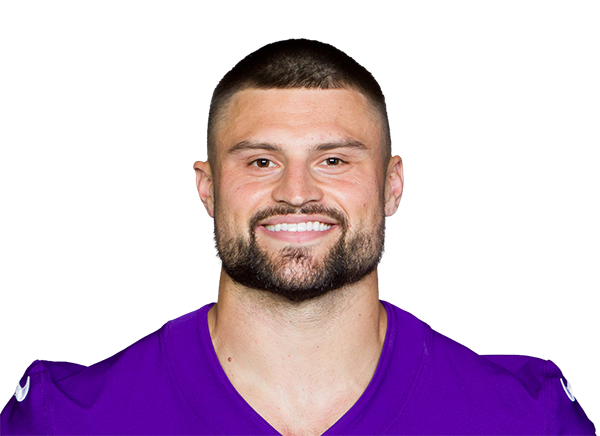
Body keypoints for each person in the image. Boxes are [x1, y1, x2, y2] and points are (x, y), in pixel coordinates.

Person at [0, 39, 594, 435]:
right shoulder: (68, 418)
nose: (297, 191)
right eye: (260, 162)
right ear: (207, 187)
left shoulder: (521, 417)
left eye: (334, 161)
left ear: (392, 186)